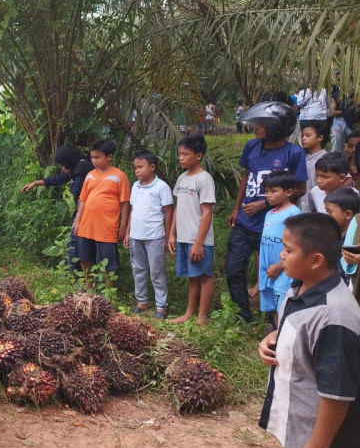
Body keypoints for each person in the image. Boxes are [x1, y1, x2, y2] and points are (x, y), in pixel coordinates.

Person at [258, 213, 360, 448]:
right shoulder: (300, 287)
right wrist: (270, 339)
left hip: (326, 445)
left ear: (315, 260)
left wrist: (317, 447)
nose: (281, 255)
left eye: (289, 250)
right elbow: (294, 329)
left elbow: (337, 393)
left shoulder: (334, 316)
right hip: (299, 430)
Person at [228, 101, 307, 322]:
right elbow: (246, 176)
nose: (256, 128)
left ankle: (276, 318)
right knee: (234, 268)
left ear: (276, 127)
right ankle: (242, 313)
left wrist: (264, 204)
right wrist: (237, 207)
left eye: (261, 124)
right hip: (245, 222)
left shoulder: (294, 153)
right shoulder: (252, 146)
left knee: (278, 271)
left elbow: (300, 188)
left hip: (274, 225)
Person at [20, 145, 93, 273]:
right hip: (85, 211)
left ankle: (71, 274)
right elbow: (59, 178)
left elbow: (78, 192)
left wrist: (71, 181)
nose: (63, 169)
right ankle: (75, 274)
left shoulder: (81, 170)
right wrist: (36, 183)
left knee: (74, 244)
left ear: (69, 161)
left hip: (87, 213)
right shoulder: (77, 167)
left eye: (64, 166)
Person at [167, 135, 216, 325]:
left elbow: (207, 213)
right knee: (192, 277)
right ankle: (189, 313)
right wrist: (172, 234)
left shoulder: (204, 179)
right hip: (184, 237)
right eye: (179, 154)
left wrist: (198, 242)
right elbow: (178, 207)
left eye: (185, 154)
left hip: (199, 240)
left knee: (204, 276)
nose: (181, 158)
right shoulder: (182, 178)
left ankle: (202, 317)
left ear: (198, 156)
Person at [72, 140, 130, 291]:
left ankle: (108, 290)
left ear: (109, 157)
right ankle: (89, 285)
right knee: (85, 256)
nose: (94, 161)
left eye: (98, 157)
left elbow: (125, 203)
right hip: (86, 224)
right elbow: (83, 199)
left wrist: (123, 226)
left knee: (107, 259)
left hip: (106, 226)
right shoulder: (90, 176)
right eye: (92, 157)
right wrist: (77, 220)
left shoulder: (119, 176)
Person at [123, 151, 173, 319]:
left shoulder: (161, 187)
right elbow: (132, 210)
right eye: (135, 168)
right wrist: (128, 232)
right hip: (136, 236)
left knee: (157, 271)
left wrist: (167, 236)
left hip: (154, 236)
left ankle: (161, 306)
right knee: (138, 269)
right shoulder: (135, 186)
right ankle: (142, 301)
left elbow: (169, 212)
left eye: (141, 167)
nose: (137, 171)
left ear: (152, 167)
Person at [258, 170, 301, 327]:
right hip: (268, 271)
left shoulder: (293, 213)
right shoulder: (269, 213)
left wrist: (279, 266)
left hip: (283, 270)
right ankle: (278, 335)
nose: (268, 195)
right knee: (273, 307)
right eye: (267, 191)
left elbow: (295, 245)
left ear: (288, 192)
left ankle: (284, 338)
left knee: (283, 303)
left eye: (273, 191)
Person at [324, 188, 360, 290]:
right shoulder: (328, 235)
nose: (327, 216)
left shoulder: (354, 239)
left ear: (348, 214)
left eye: (330, 212)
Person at [297, 122, 329, 213]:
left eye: (308, 135)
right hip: (300, 207)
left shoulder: (326, 158)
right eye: (302, 136)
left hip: (318, 208)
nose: (303, 138)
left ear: (320, 137)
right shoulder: (300, 157)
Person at [330, 71, 348, 153]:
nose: (341, 81)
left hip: (353, 122)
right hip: (338, 121)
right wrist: (348, 112)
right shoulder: (335, 95)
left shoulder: (355, 94)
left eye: (343, 79)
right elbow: (332, 112)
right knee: (337, 147)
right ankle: (336, 165)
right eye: (338, 79)